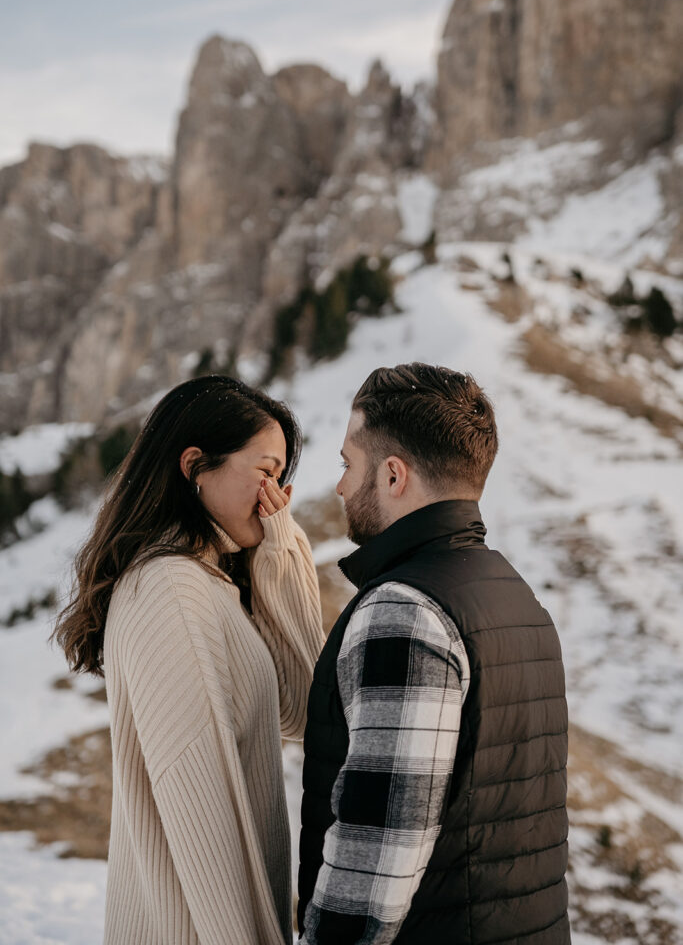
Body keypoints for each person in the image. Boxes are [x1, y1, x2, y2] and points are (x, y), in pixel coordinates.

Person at [298, 363, 570, 944]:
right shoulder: (516, 598)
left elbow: (379, 852)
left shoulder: (405, 611)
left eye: (349, 464)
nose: (341, 486)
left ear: (393, 475)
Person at [53, 374, 324, 945]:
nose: (279, 496)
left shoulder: (206, 583)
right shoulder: (171, 591)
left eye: (284, 478)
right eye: (267, 471)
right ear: (195, 464)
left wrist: (282, 547)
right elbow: (205, 820)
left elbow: (304, 709)